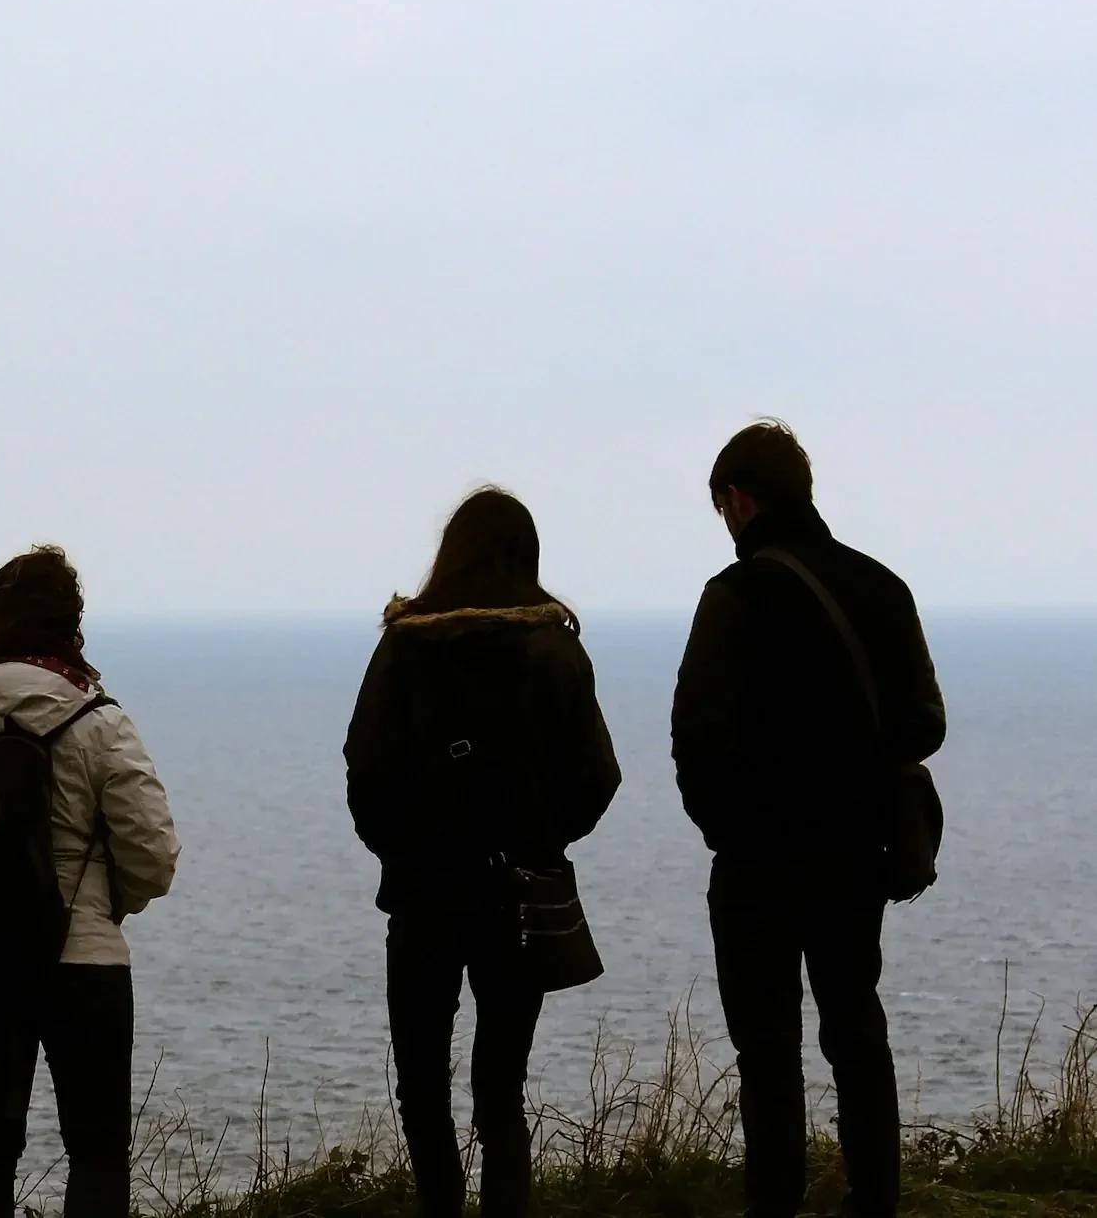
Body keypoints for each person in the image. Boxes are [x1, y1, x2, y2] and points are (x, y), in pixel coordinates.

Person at [673, 422, 945, 1218]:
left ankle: (775, 1205)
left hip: (757, 862)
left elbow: (695, 738)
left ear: (740, 499)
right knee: (857, 1030)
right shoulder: (880, 586)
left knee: (768, 1054)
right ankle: (875, 1201)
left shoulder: (732, 597)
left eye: (721, 506)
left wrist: (727, 827)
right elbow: (925, 725)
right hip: (858, 853)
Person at [342, 488, 620, 1218]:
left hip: (423, 893)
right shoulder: (553, 647)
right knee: (501, 1085)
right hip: (516, 892)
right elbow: (597, 775)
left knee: (422, 1083)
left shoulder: (406, 645)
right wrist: (541, 837)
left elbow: (365, 767)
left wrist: (399, 847)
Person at [0, 546, 179, 1218]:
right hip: (84, 962)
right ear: (70, 628)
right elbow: (154, 855)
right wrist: (107, 904)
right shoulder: (99, 722)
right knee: (97, 1151)